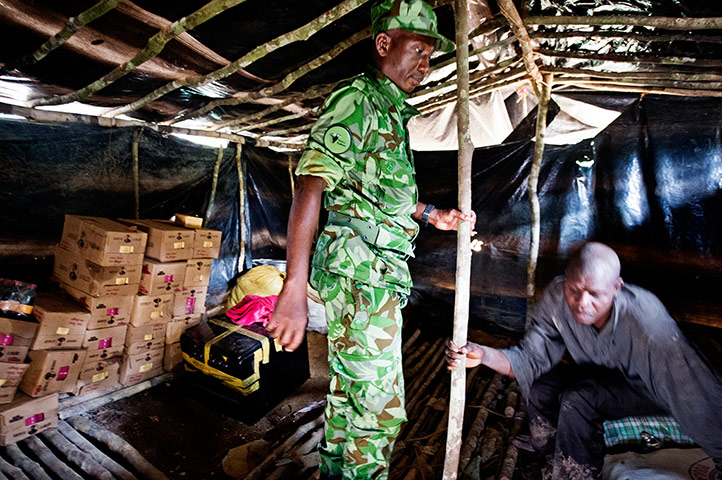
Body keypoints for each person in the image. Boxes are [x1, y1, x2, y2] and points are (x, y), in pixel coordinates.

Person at [268, 1, 475, 478]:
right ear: (384, 44)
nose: (425, 64)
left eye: (431, 55)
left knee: (351, 397)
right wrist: (292, 287)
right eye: (417, 48)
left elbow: (378, 193)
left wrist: (431, 214)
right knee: (378, 408)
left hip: (375, 274)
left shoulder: (390, 113)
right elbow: (312, 186)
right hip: (360, 275)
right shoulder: (357, 100)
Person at [445, 242, 722, 480]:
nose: (581, 302)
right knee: (541, 383)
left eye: (595, 294)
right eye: (574, 290)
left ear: (617, 288)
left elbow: (694, 397)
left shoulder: (647, 324)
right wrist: (483, 355)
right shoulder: (557, 297)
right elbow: (530, 359)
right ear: (566, 279)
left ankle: (575, 472)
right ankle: (552, 452)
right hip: (600, 373)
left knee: (579, 399)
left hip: (650, 390)